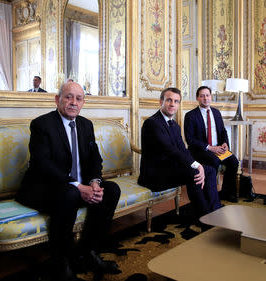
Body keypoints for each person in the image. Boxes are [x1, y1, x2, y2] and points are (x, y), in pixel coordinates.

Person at [16, 81, 121, 281]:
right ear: (58, 100)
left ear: (83, 103)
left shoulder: (85, 124)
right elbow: (42, 164)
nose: (74, 102)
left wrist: (94, 183)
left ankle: (87, 252)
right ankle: (60, 263)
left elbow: (94, 159)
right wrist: (78, 186)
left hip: (76, 188)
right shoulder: (41, 124)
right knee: (70, 193)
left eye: (78, 98)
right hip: (44, 188)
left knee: (111, 190)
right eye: (68, 97)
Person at [138, 87, 221, 220]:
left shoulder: (175, 125)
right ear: (161, 102)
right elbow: (170, 150)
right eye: (169, 100)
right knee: (194, 173)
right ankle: (205, 219)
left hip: (171, 169)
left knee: (209, 170)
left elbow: (182, 150)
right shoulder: (152, 123)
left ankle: (215, 212)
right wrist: (196, 166)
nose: (172, 104)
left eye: (176, 101)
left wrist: (198, 165)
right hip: (155, 175)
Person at [184, 86, 239, 203]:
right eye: (202, 96)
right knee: (214, 161)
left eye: (207, 95)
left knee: (234, 162)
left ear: (211, 97)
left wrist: (225, 143)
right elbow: (190, 139)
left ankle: (227, 193)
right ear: (197, 98)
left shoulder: (216, 112)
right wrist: (210, 148)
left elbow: (223, 131)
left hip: (218, 149)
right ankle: (211, 195)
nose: (205, 98)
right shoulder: (190, 116)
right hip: (201, 151)